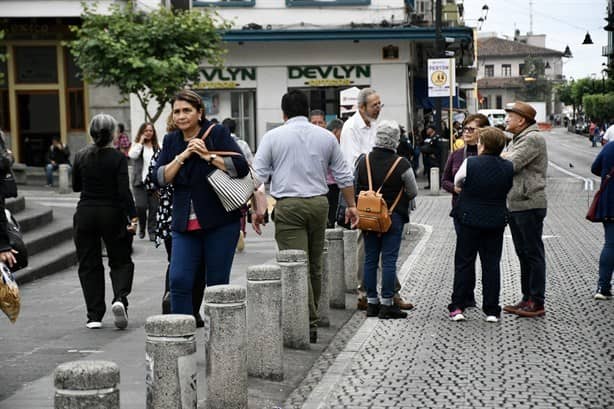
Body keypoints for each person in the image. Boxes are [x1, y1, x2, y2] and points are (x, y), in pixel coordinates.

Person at [251, 90, 359, 343]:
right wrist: (352, 205)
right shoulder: (326, 137)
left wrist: (257, 210)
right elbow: (344, 175)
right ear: (308, 110)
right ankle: (309, 319)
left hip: (289, 206)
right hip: (320, 204)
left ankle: (307, 322)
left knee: (295, 265)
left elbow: (257, 178)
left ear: (283, 113)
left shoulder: (272, 137)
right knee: (314, 264)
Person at [154, 89, 249, 315]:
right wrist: (182, 157)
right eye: (176, 111)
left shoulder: (217, 133)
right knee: (178, 281)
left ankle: (220, 339)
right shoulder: (171, 140)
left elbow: (241, 167)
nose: (181, 116)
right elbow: (159, 178)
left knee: (216, 285)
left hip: (220, 222)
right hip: (184, 224)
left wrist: (208, 156)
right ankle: (182, 335)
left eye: (187, 110)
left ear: (199, 113)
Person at [339, 88, 413, 311]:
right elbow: (352, 162)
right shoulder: (351, 128)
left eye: (380, 104)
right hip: (367, 194)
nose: (379, 108)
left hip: (380, 192)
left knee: (376, 251)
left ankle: (380, 294)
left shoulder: (374, 126)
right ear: (361, 107)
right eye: (374, 105)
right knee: (370, 249)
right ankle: (368, 294)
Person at [72, 114, 138, 330]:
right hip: (112, 213)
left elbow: (76, 187)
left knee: (89, 263)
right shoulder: (118, 158)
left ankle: (94, 316)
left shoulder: (81, 156)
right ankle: (119, 298)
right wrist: (133, 215)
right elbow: (123, 191)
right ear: (113, 134)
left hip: (85, 213)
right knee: (120, 259)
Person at [448, 127, 513, 322]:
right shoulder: (508, 166)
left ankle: (457, 306)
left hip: (469, 218)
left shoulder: (471, 163)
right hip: (495, 219)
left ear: (483, 145)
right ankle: (492, 309)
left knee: (464, 262)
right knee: (491, 264)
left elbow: (457, 181)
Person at [146, 116, 206, 326]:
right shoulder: (195, 151)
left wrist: (162, 194)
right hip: (187, 213)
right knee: (198, 265)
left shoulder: (161, 154)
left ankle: (170, 296)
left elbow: (150, 182)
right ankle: (193, 310)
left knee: (175, 261)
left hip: (167, 217)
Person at [355, 121, 418, 319]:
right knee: (389, 260)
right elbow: (413, 190)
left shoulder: (363, 161)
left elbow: (355, 186)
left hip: (368, 217)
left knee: (370, 259)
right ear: (396, 141)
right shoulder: (402, 164)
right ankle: (388, 303)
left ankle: (371, 302)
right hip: (393, 217)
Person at [501, 101, 548, 318]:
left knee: (533, 253)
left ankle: (536, 301)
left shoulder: (533, 138)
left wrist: (499, 157)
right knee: (523, 254)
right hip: (516, 203)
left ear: (521, 120)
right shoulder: (517, 139)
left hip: (529, 203)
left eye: (509, 116)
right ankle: (526, 297)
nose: (506, 120)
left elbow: (511, 164)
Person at [441, 113, 489, 309]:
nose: (466, 133)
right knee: (464, 256)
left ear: (483, 132)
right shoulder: (456, 154)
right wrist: (454, 188)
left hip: (483, 211)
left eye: (471, 129)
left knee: (484, 256)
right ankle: (466, 295)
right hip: (460, 211)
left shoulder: (487, 155)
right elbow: (444, 180)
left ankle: (489, 300)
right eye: (464, 129)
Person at [221, 117, 254, 252]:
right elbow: (250, 163)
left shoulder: (218, 142)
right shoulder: (242, 144)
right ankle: (241, 230)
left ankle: (227, 234)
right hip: (240, 181)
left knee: (225, 209)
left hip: (222, 182)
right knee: (241, 209)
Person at [128, 123, 160, 240]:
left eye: (150, 130)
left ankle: (151, 230)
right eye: (146, 130)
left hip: (153, 182)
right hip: (139, 182)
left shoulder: (157, 146)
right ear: (142, 132)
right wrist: (140, 142)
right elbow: (132, 155)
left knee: (154, 207)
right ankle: (142, 227)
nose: (148, 133)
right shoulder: (137, 145)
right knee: (140, 206)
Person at [591, 141, 614, 300]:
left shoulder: (610, 146)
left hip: (610, 201)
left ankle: (603, 286)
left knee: (610, 244)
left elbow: (595, 168)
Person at [325, 118, 344, 228]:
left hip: (325, 186)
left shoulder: (323, 140)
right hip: (332, 186)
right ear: (336, 131)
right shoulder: (332, 143)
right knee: (332, 217)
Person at [420, 125, 442, 189]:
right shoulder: (428, 138)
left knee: (435, 170)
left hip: (434, 158)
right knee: (429, 171)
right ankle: (430, 184)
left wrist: (429, 150)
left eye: (428, 129)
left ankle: (437, 184)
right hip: (428, 158)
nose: (427, 130)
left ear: (432, 130)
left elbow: (437, 149)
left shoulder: (436, 138)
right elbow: (424, 146)